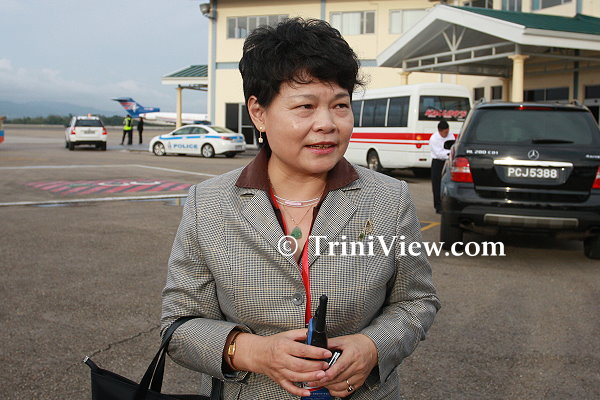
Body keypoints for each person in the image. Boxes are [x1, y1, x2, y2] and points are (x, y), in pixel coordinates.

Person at [161, 18, 440, 400]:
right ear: (258, 112)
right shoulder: (207, 204)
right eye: (305, 106)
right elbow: (179, 324)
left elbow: (417, 301)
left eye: (340, 105)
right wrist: (254, 352)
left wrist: (373, 346)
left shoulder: (389, 198)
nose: (327, 123)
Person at [429, 120, 452, 214]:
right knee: (437, 184)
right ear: (439, 131)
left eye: (447, 131)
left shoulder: (450, 136)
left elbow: (451, 147)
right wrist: (448, 154)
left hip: (447, 162)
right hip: (437, 162)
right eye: (445, 132)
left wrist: (448, 154)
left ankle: (447, 204)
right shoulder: (434, 138)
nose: (446, 134)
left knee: (447, 183)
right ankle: (438, 206)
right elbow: (439, 153)